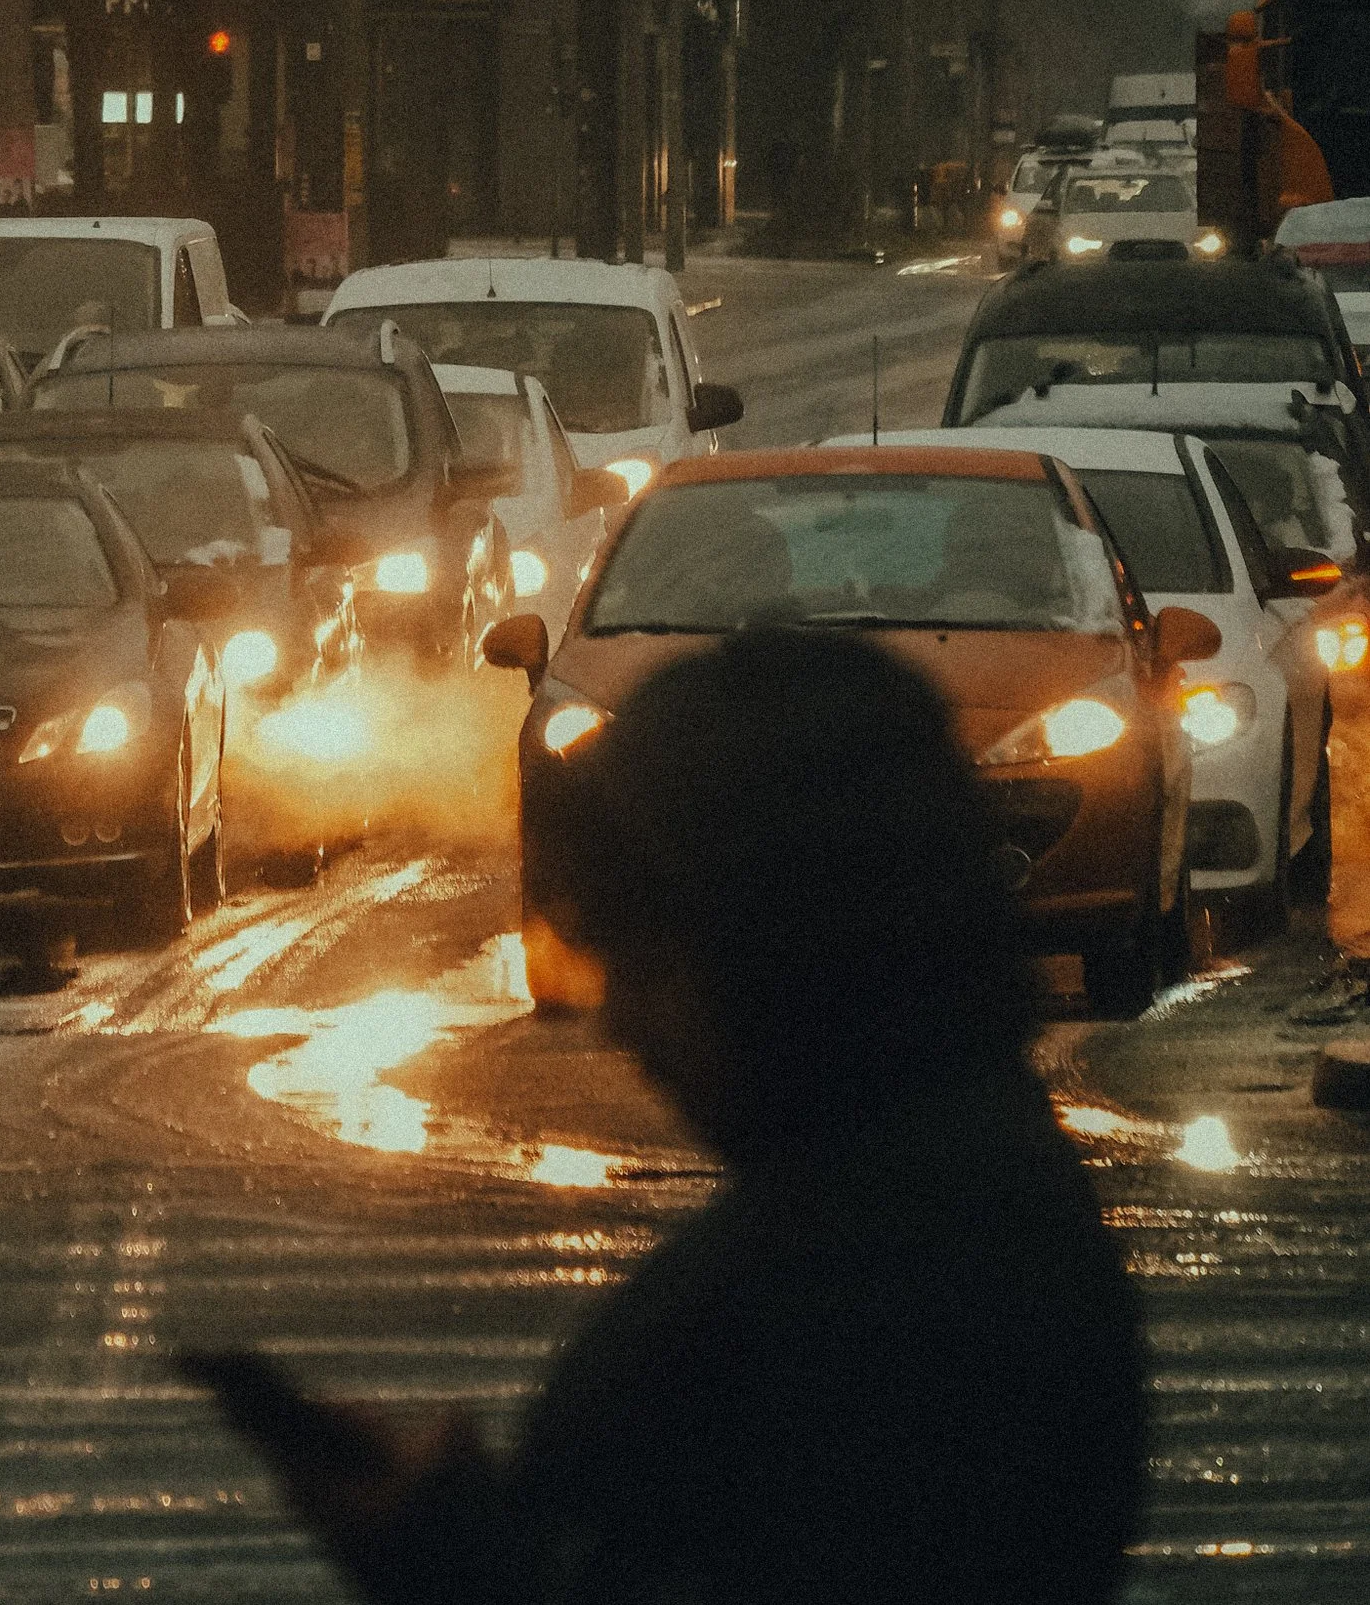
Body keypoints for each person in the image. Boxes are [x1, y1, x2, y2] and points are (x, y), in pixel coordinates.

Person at [194, 628, 1146, 1605]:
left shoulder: (884, 1277)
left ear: (770, 946)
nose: (621, 1024)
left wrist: (456, 1554)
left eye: (642, 957)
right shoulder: (933, 1193)